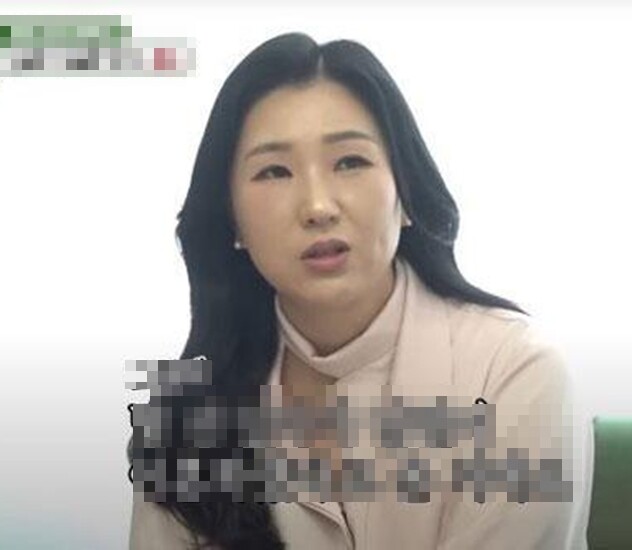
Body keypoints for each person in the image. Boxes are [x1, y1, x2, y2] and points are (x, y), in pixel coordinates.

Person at [128, 32, 593, 549]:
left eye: (350, 162)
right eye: (274, 171)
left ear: (405, 193)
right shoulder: (186, 412)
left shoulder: (514, 372)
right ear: (231, 218)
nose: (317, 206)